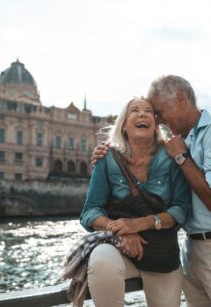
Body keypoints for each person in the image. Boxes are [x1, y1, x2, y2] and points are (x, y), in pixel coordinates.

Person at [93, 76, 211, 307]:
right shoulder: (183, 140)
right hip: (193, 248)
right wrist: (109, 152)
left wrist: (181, 157)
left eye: (158, 112)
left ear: (180, 99)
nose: (158, 120)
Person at [80, 97, 190, 307]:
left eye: (148, 111)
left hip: (162, 254)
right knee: (101, 260)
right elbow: (89, 212)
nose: (142, 114)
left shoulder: (171, 157)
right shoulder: (107, 157)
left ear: (155, 124)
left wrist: (139, 224)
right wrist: (123, 230)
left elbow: (181, 210)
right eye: (135, 110)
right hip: (120, 248)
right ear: (123, 125)